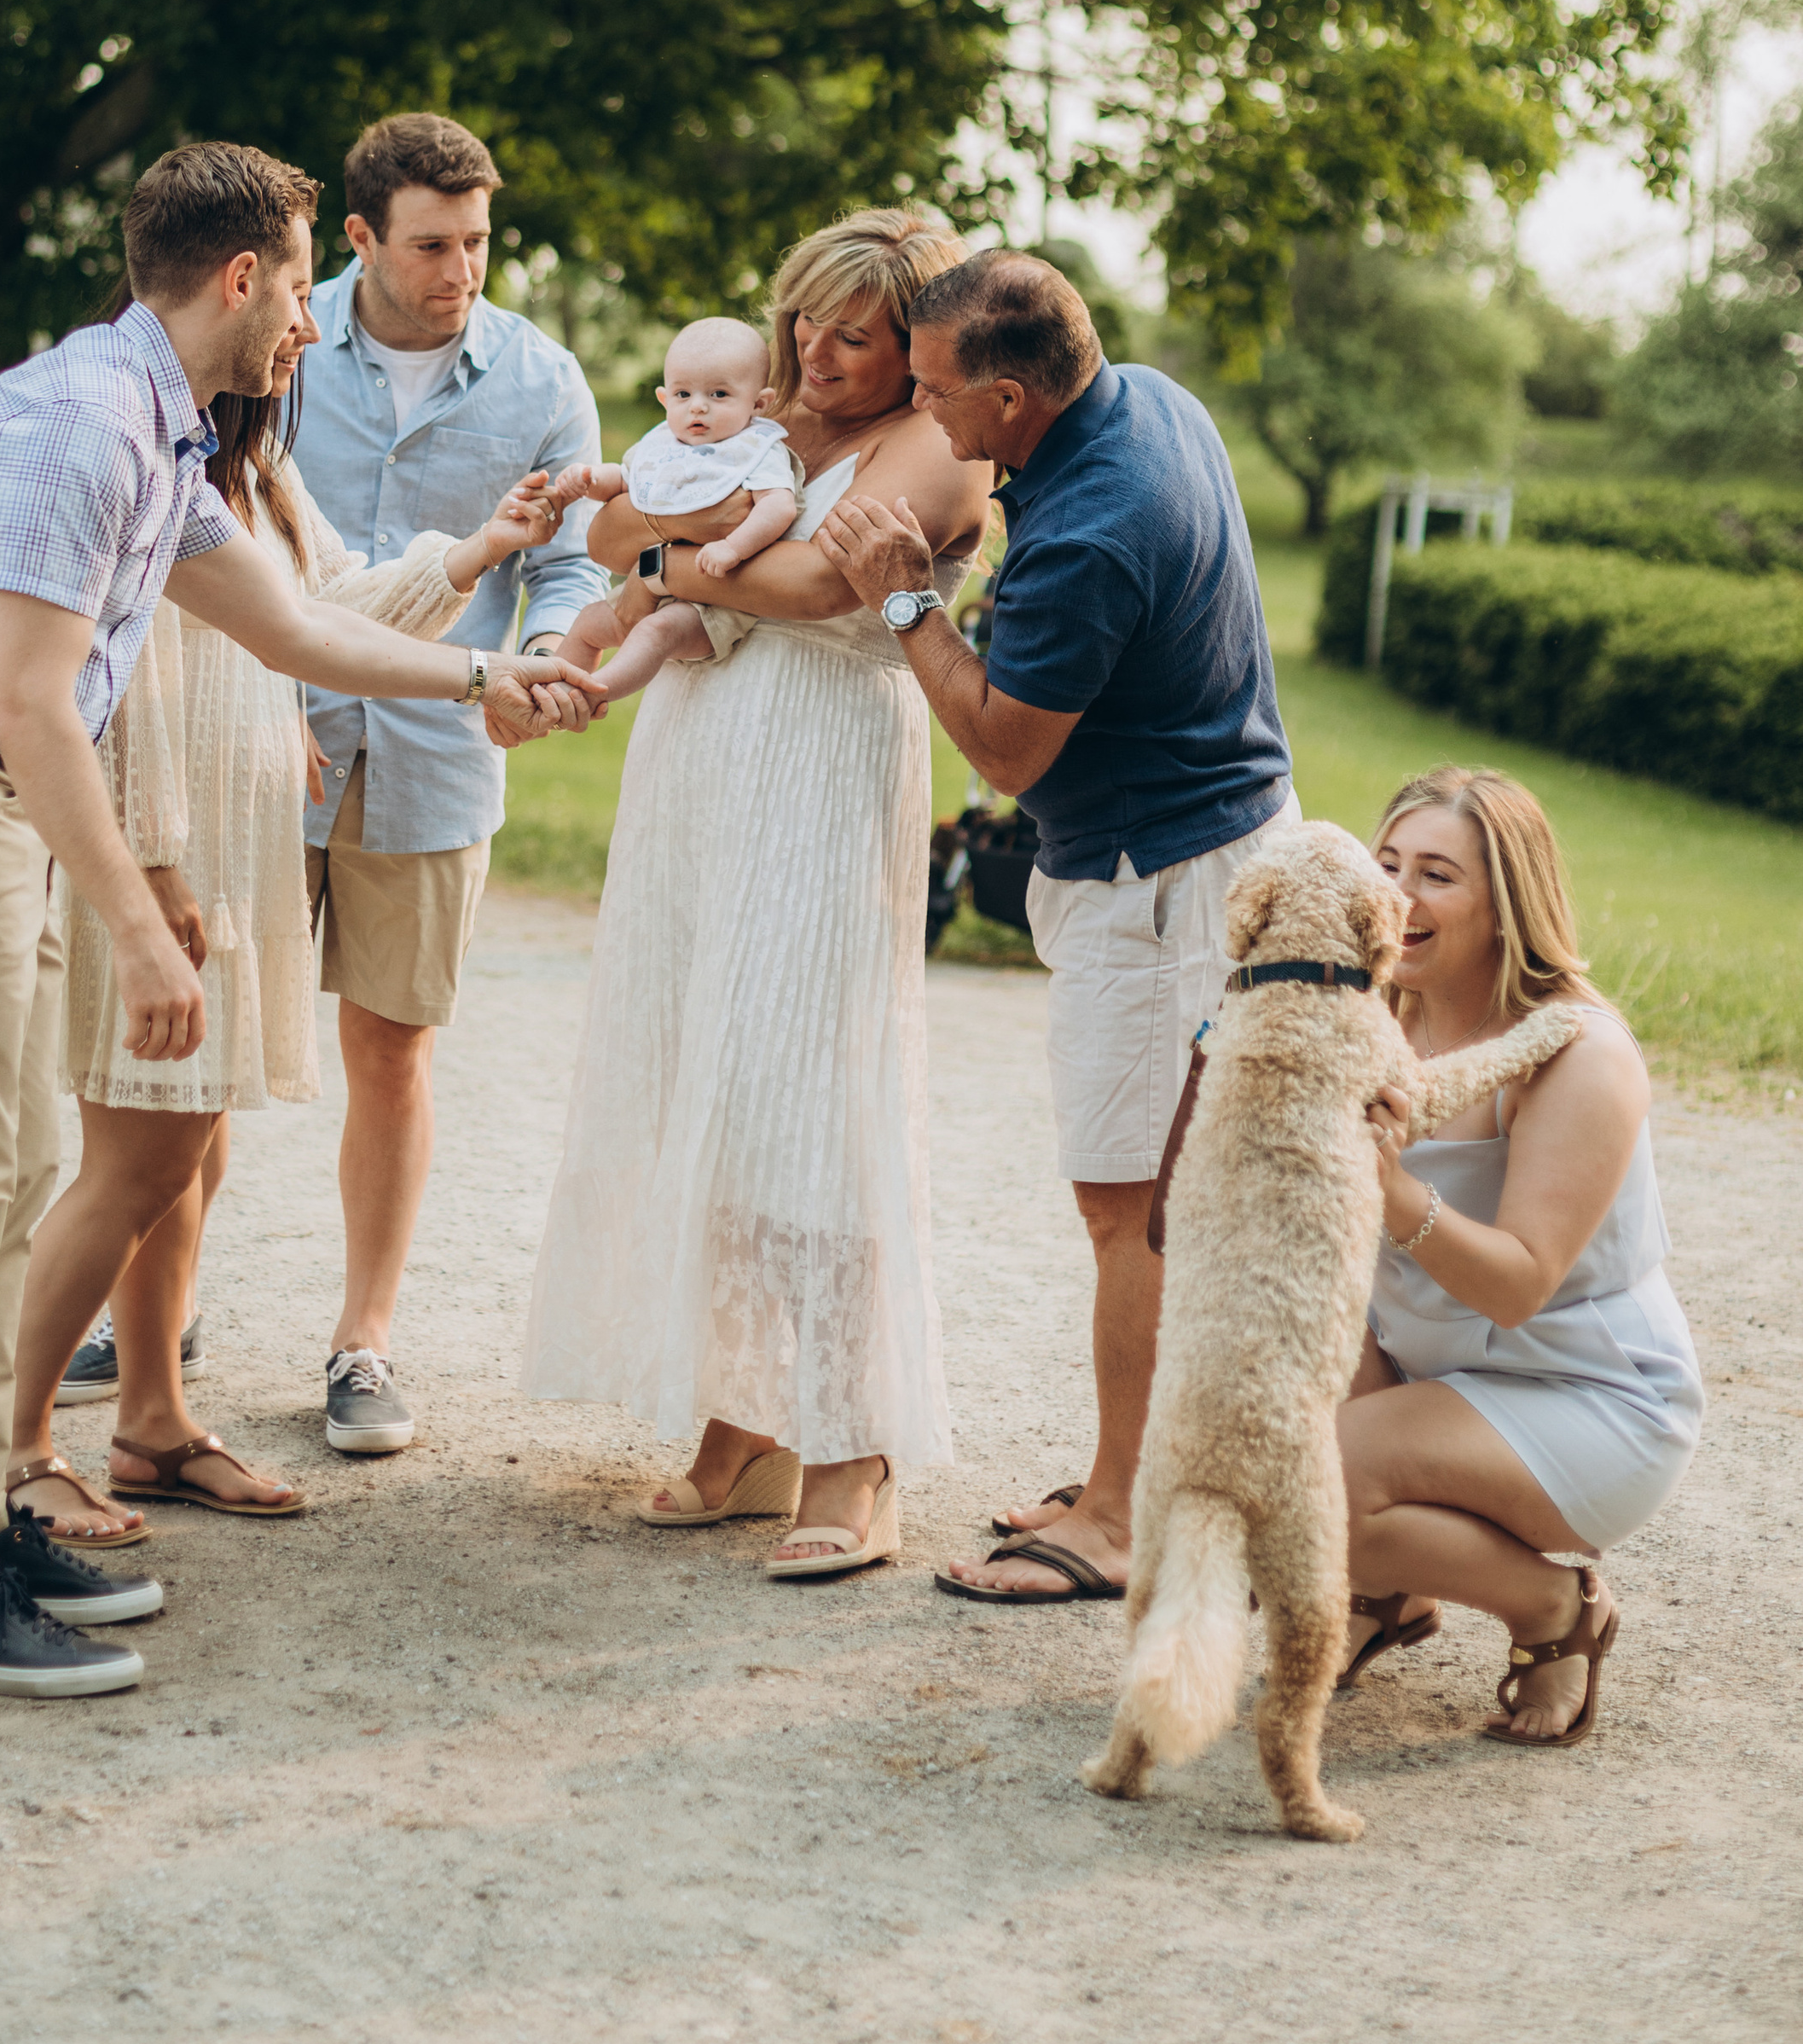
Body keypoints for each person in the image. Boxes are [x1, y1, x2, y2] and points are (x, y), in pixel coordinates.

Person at [0, 140, 597, 1699]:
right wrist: (148, 924)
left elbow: (294, 621)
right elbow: (32, 704)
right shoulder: (83, 432)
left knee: (5, 1169)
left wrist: (493, 675)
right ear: (243, 278)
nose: (313, 319)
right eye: (303, 284)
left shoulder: (160, 437)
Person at [4, 261, 570, 1539]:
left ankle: (150, 1422)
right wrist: (152, 866)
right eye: (301, 295)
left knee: (186, 1155)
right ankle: (16, 1443)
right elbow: (118, 676)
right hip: (169, 845)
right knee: (137, 1162)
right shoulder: (130, 457)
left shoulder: (246, 469)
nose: (312, 325)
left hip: (235, 846)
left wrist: (481, 554)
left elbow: (322, 611)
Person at [818, 248, 1295, 1605]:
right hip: (1214, 844)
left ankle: (1123, 1516)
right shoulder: (1149, 400)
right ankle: (1159, 1480)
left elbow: (1007, 750)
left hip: (1165, 888)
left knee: (1138, 1215)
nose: (929, 422)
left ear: (1017, 396)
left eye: (937, 394)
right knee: (1171, 1207)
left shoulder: (1094, 530)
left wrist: (906, 597)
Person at [523, 209, 993, 1577]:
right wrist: (670, 543)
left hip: (828, 770)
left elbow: (799, 575)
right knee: (704, 1074)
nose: (818, 353)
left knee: (812, 1096)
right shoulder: (768, 415)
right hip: (698, 763)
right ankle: (743, 1421)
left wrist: (672, 552)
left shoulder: (930, 444)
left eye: (857, 336)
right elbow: (616, 519)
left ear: (920, 351)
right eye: (805, 323)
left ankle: (858, 1452)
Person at [291, 113, 606, 1460]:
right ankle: (152, 1310)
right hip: (269, 737)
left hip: (433, 754)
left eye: (478, 242)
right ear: (360, 236)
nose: (460, 270)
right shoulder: (275, 342)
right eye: (431, 245)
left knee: (394, 1050)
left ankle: (364, 1341)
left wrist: (541, 656)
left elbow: (575, 567)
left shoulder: (542, 380)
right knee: (203, 1042)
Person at [1336, 767, 1701, 1745]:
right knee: (1249, 1437)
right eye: (1386, 865)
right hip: (1430, 1369)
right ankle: (1384, 1589)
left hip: (1585, 1395)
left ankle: (1553, 1609)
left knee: (1311, 1484)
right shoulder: (1371, 1015)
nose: (1397, 897)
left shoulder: (1578, 1052)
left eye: (1437, 876)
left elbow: (1518, 1283)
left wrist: (1393, 1190)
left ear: (1506, 904)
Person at [542, 315, 803, 700]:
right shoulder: (661, 446)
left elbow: (778, 507)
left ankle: (586, 696)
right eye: (684, 395)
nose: (698, 408)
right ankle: (549, 693)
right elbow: (627, 481)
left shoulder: (756, 451)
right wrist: (589, 480)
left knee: (654, 632)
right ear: (665, 399)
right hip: (650, 586)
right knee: (589, 620)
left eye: (718, 395)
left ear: (759, 403)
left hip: (715, 596)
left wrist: (734, 548)